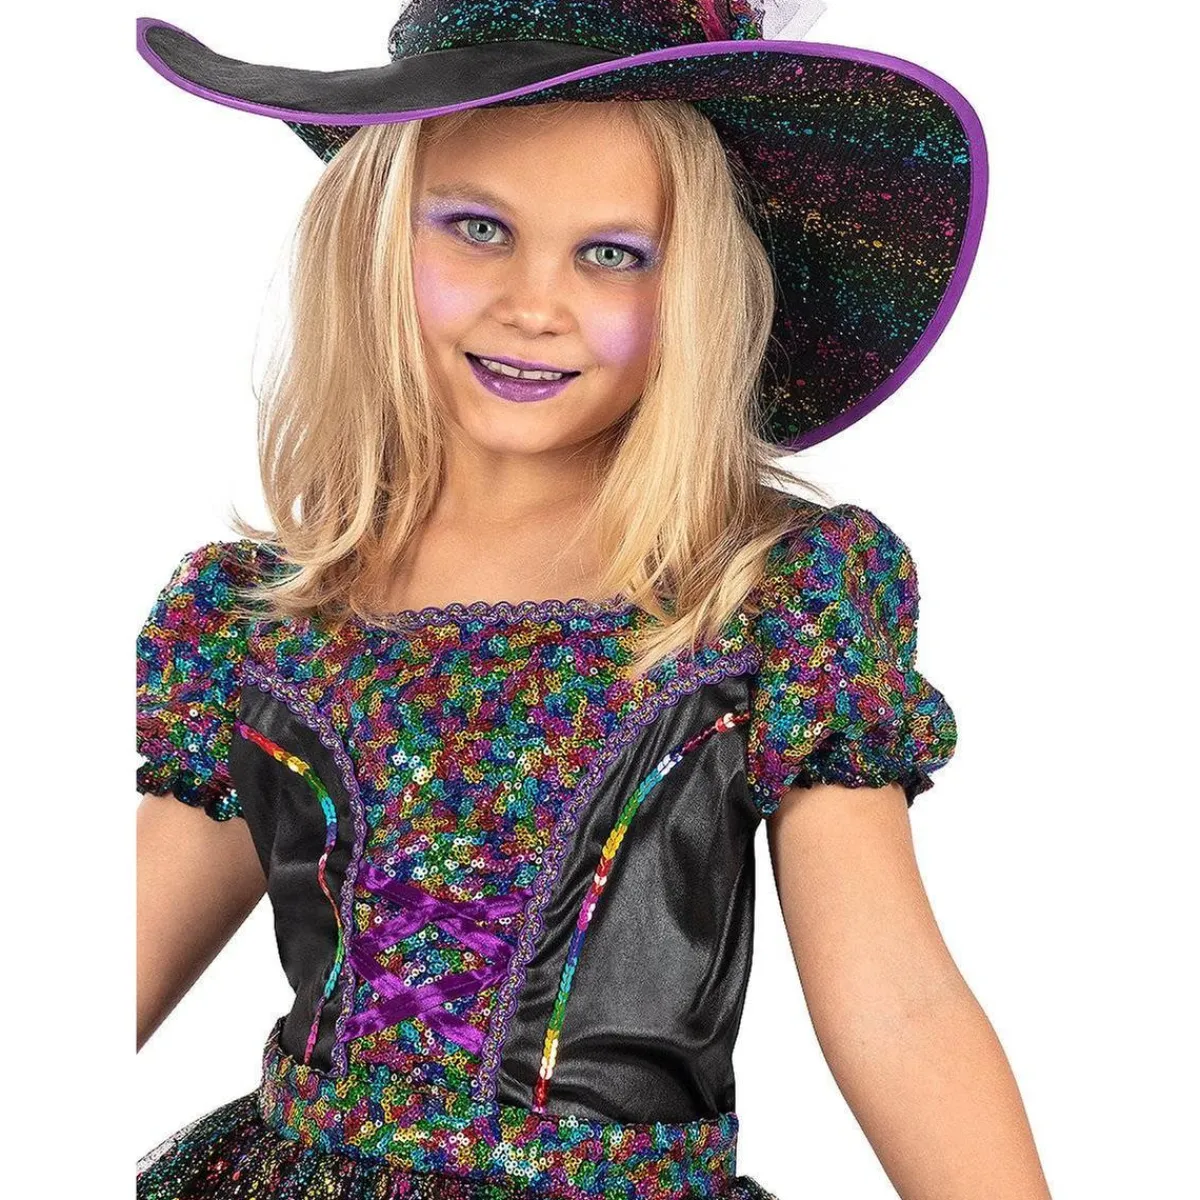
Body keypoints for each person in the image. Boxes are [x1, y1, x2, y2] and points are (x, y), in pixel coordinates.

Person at [134, 3, 1049, 1197]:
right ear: (374, 234)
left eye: (613, 253)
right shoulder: (264, 622)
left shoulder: (772, 597)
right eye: (478, 228)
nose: (534, 303)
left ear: (700, 284)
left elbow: (899, 1003)